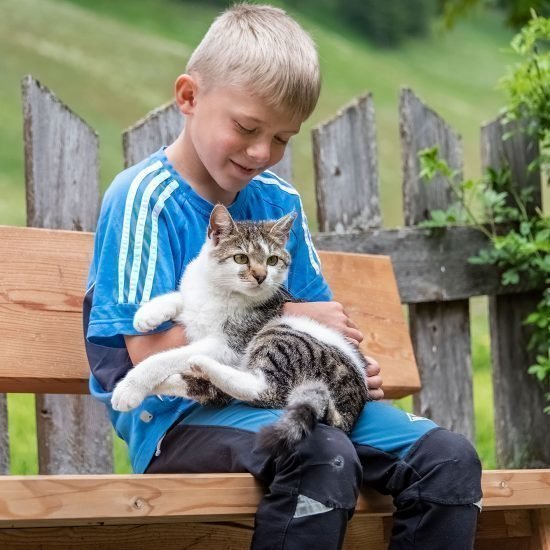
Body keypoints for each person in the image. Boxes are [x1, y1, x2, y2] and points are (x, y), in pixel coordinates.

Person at [83, 4, 482, 549]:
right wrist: (292, 316)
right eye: (247, 128)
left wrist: (346, 367)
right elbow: (149, 352)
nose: (261, 153)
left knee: (447, 460)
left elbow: (319, 326)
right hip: (182, 419)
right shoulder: (143, 201)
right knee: (322, 454)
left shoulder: (277, 202)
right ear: (189, 97)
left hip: (289, 396)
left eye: (282, 139)